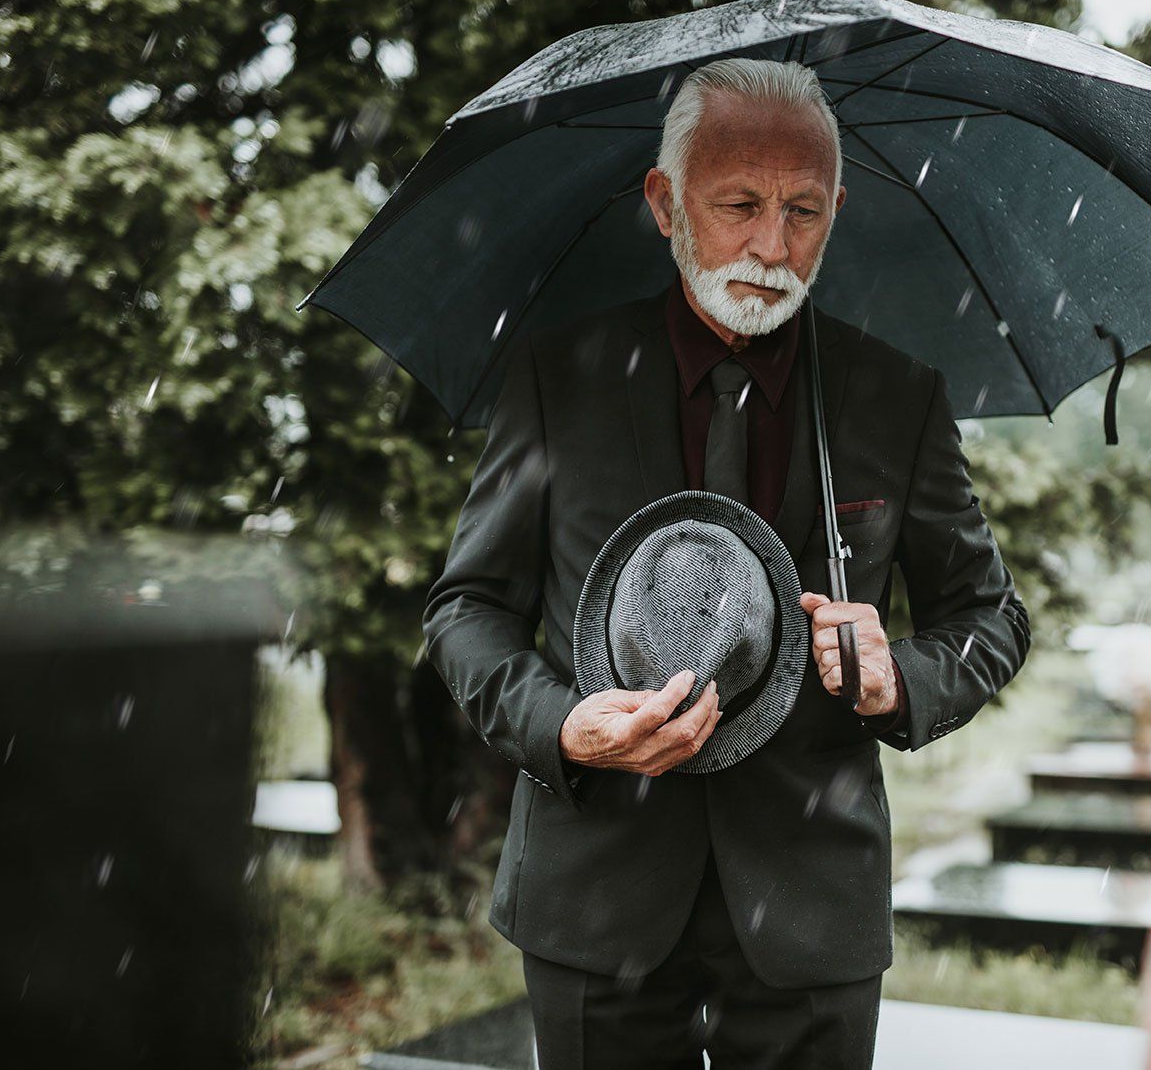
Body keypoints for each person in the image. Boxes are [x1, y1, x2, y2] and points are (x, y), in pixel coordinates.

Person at [423, 57, 1030, 1069]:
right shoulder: (555, 379)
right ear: (664, 204)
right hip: (594, 901)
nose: (770, 245)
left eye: (802, 210)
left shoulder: (895, 396)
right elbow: (467, 609)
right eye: (737, 203)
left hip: (812, 916)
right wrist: (559, 724)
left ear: (837, 206)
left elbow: (992, 616)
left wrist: (900, 678)